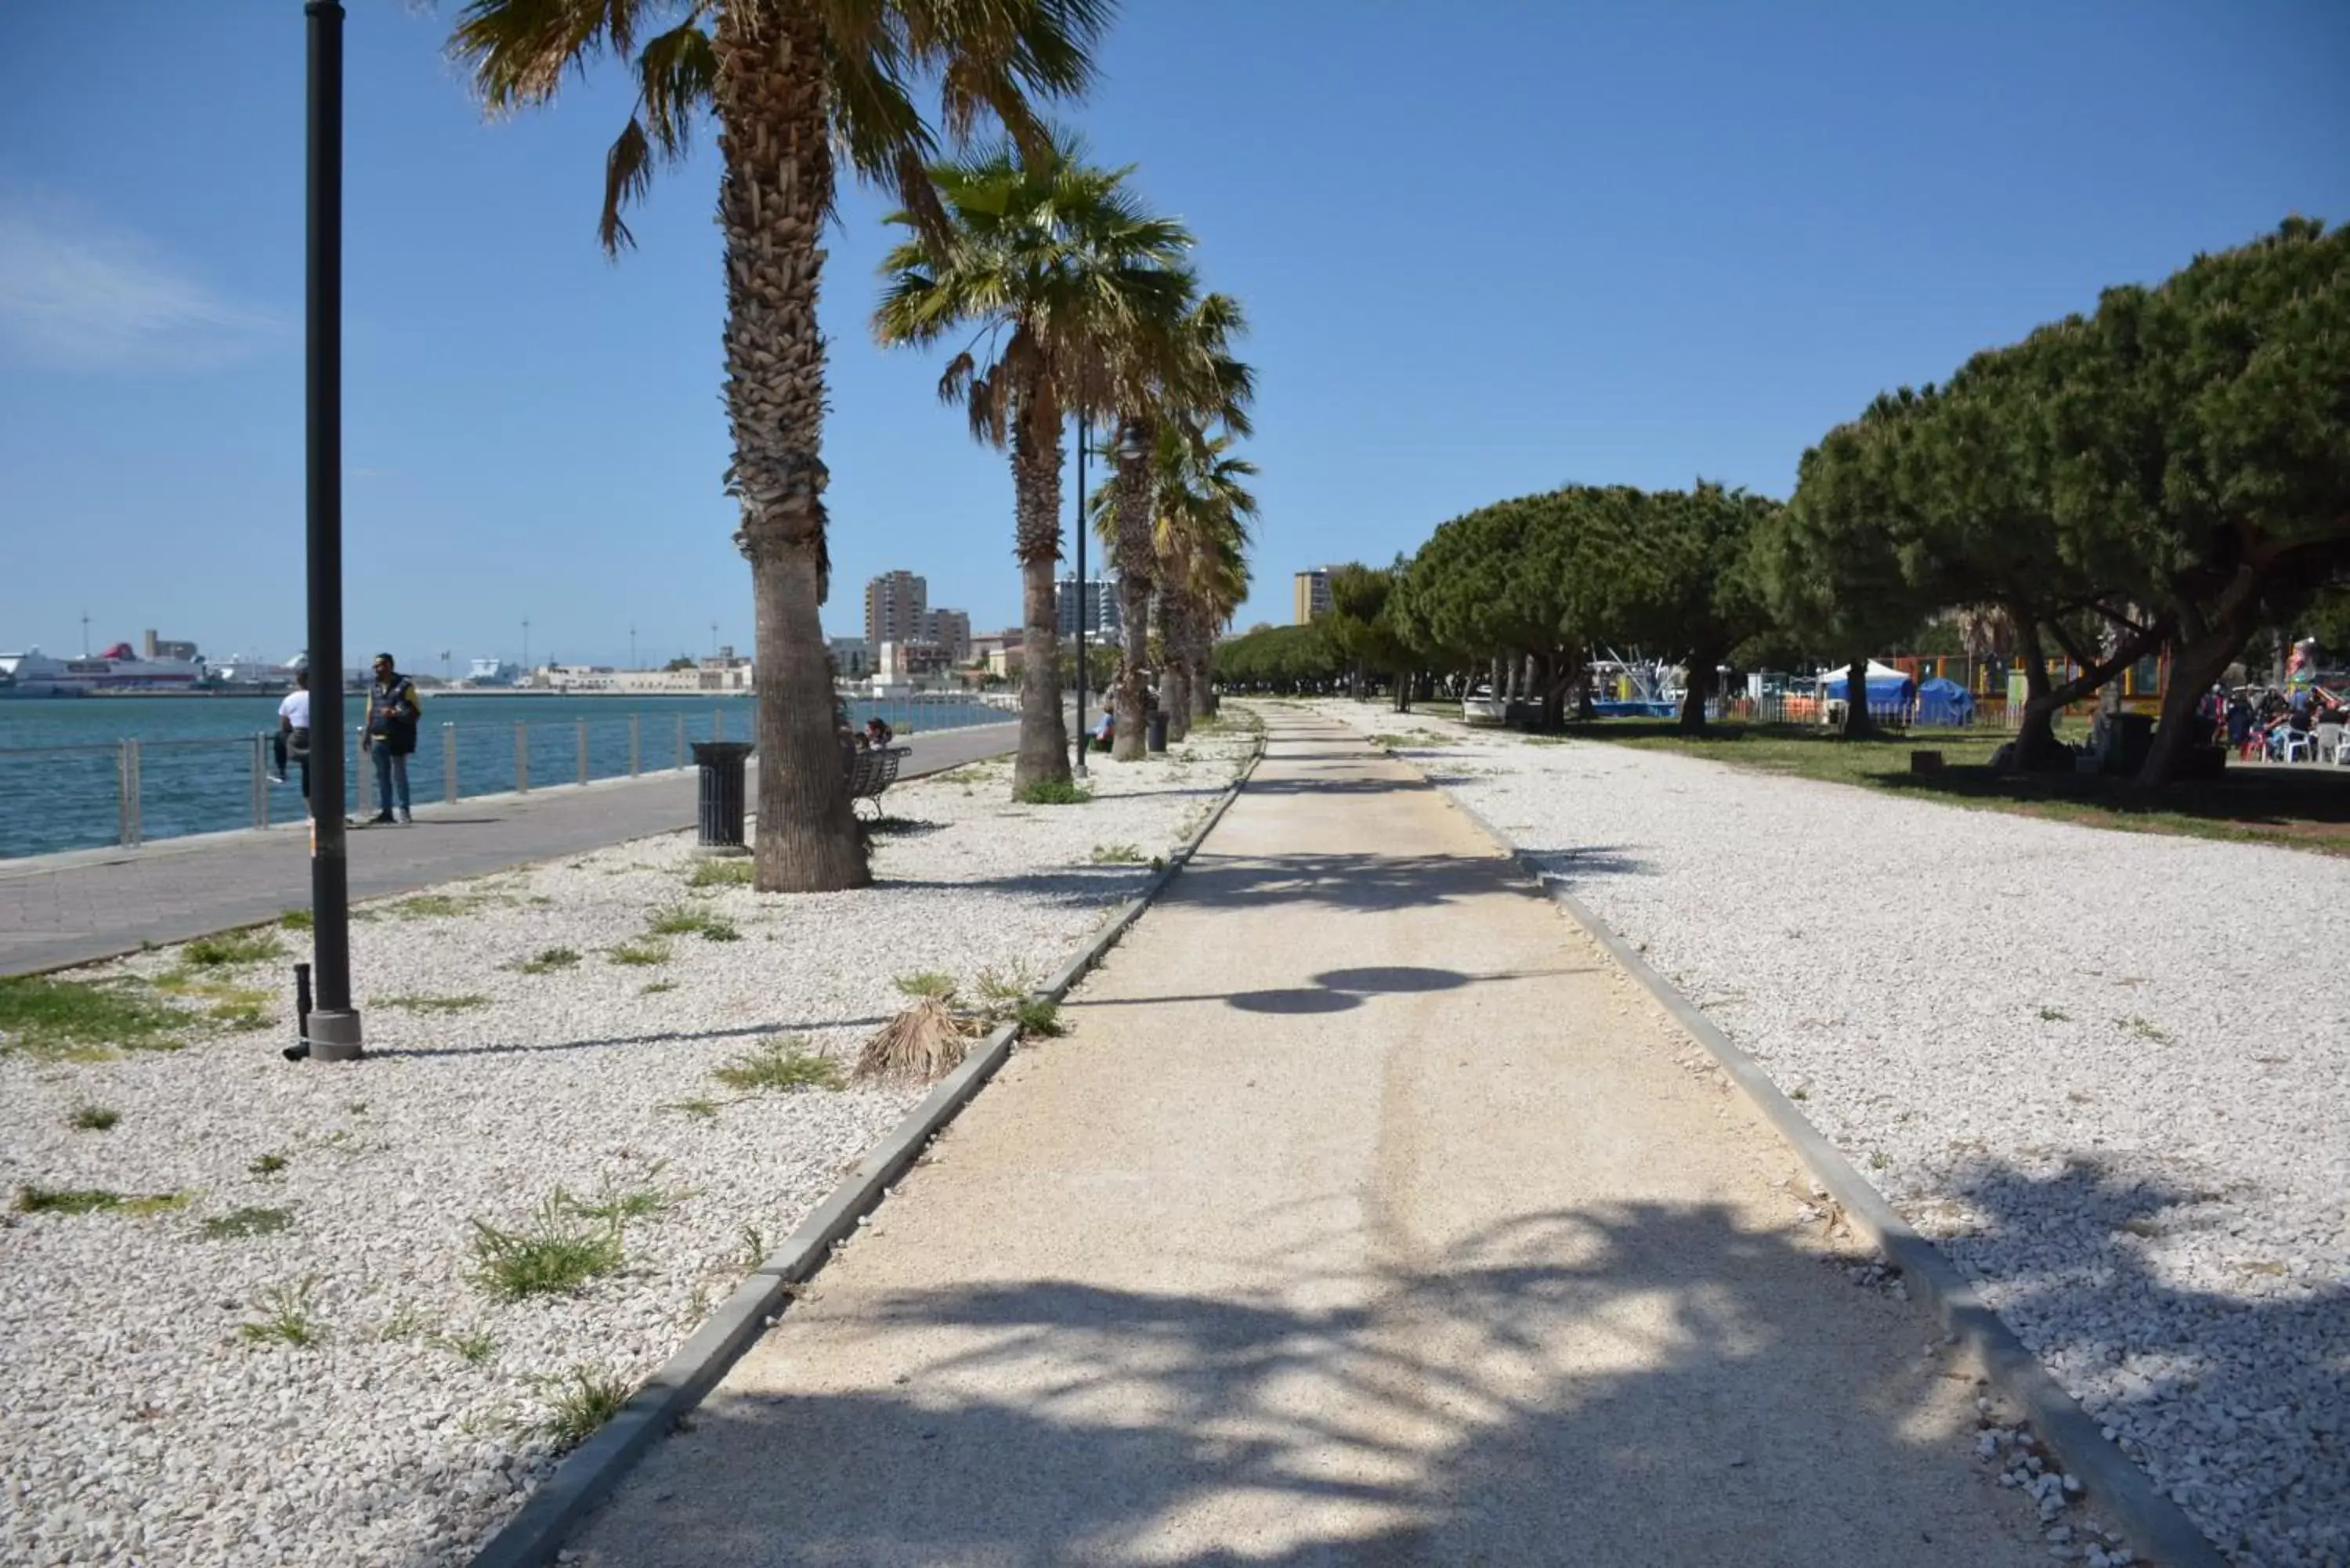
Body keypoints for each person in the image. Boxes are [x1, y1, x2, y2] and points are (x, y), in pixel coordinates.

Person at [362, 652, 421, 825]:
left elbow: (416, 711)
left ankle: (404, 811)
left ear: (389, 666)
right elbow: (370, 711)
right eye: (375, 666)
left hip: (399, 736)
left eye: (379, 666)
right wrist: (367, 734)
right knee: (382, 776)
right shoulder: (373, 687)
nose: (376, 670)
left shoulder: (404, 686)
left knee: (399, 774)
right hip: (378, 736)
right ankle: (386, 811)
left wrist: (395, 713)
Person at [274, 670, 312, 810]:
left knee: (279, 736)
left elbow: (284, 725)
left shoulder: (289, 699)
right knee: (310, 773)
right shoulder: (321, 696)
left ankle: (281, 769)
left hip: (299, 740)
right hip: (320, 740)